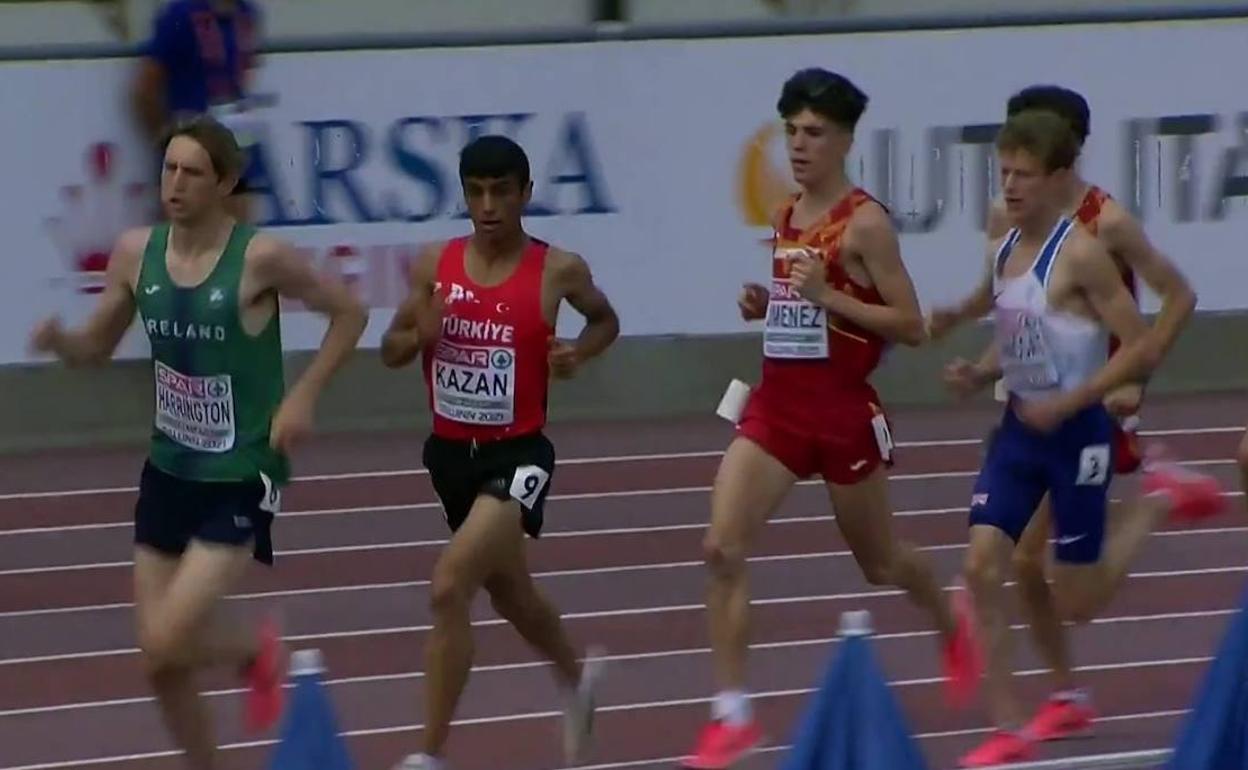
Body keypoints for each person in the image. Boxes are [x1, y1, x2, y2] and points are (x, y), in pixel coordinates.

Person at [27, 116, 367, 770]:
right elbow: (97, 345)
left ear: (225, 183)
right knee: (159, 661)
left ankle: (254, 651)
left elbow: (348, 314)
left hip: (242, 472)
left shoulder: (259, 258)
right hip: (170, 468)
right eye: (168, 170)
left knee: (168, 633)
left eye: (192, 173)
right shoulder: (136, 254)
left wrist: (304, 394)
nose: (175, 185)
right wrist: (61, 343)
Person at [679, 68, 980, 770]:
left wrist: (828, 298)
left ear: (844, 139)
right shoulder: (785, 215)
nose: (799, 144)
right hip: (779, 406)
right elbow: (802, 308)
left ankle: (947, 613)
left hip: (843, 414)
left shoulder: (867, 224)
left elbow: (909, 326)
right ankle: (732, 714)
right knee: (720, 548)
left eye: (814, 132)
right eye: (790, 131)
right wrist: (771, 303)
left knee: (881, 564)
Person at [939, 108, 1222, 768]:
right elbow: (1013, 322)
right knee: (986, 566)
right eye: (1003, 171)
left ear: (1060, 174)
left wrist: (1096, 393)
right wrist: (979, 369)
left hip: (1078, 435)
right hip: (1021, 429)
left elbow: (1144, 341)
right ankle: (1015, 723)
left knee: (1079, 599)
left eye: (1023, 174)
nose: (1008, 186)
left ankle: (1155, 501)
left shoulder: (1093, 246)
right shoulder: (1005, 241)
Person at [379, 135, 621, 770]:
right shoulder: (436, 263)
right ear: (464, 195)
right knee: (511, 593)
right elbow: (390, 348)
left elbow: (605, 320)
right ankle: (577, 680)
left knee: (449, 586)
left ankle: (428, 754)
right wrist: (419, 334)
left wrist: (579, 353)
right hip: (451, 458)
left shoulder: (558, 268)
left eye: (501, 192)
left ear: (524, 194)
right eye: (476, 193)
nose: (488, 206)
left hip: (520, 456)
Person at [132, 0, 264, 222]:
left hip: (236, 140)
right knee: (187, 240)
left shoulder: (246, 13)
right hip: (194, 143)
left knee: (238, 234)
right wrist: (169, 142)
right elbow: (145, 88)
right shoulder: (181, 14)